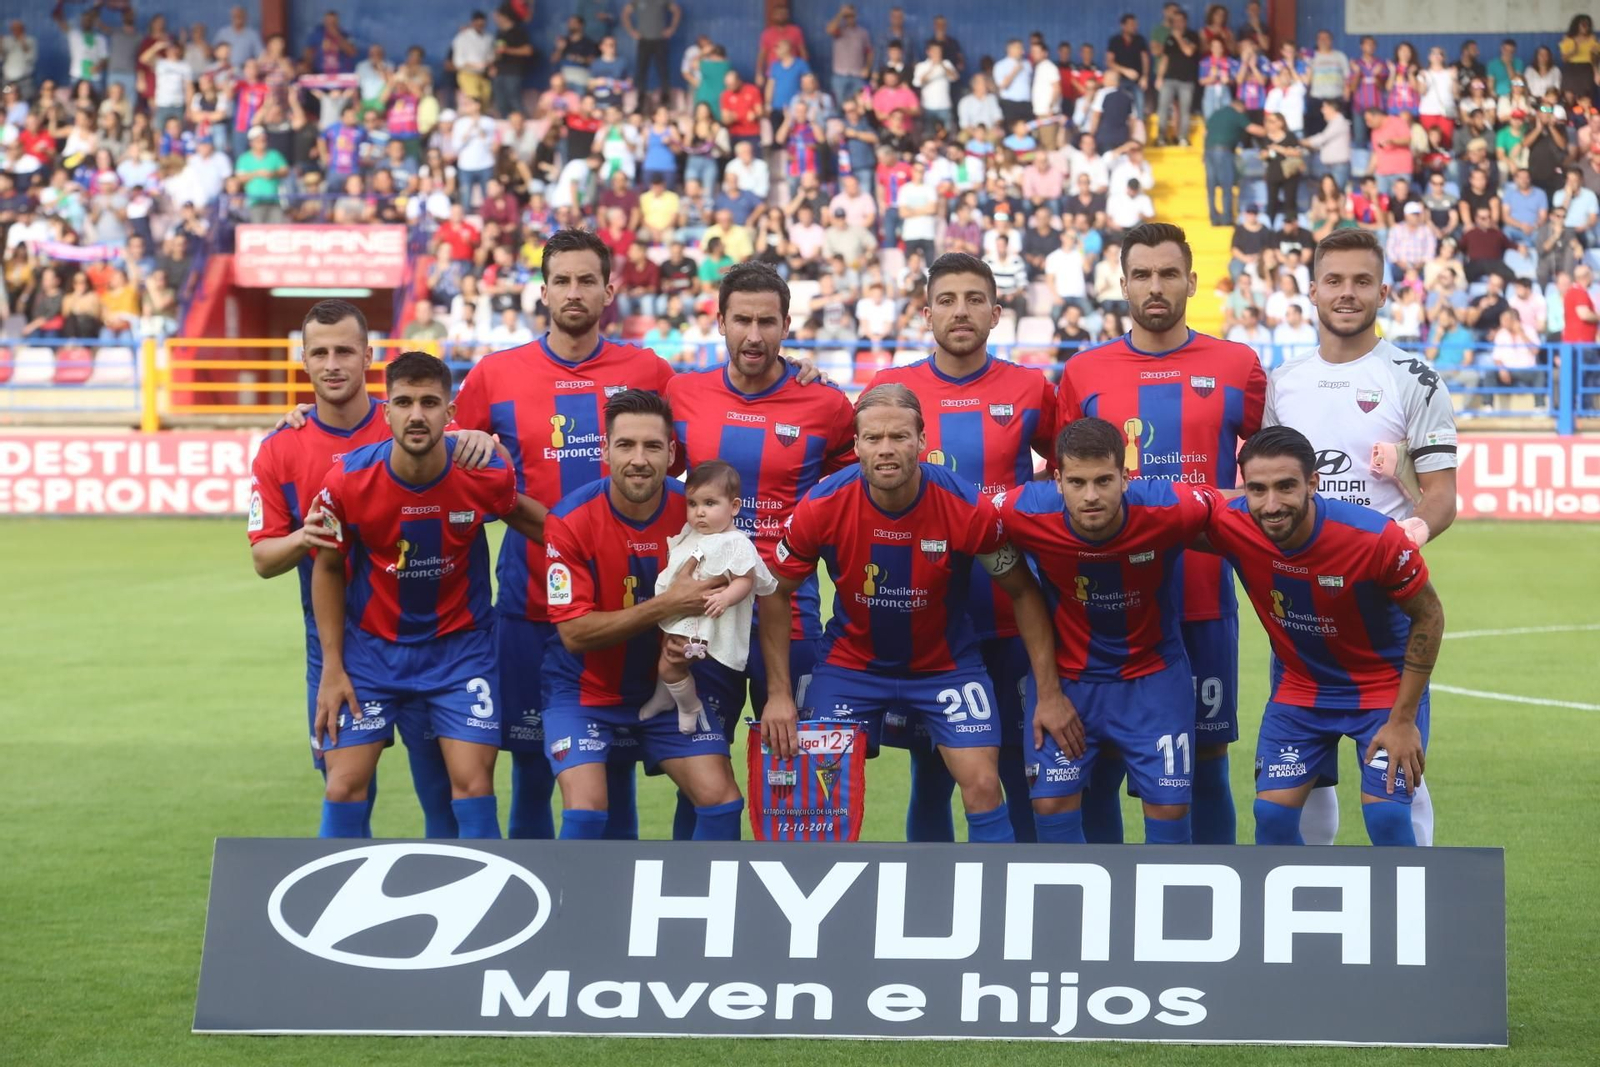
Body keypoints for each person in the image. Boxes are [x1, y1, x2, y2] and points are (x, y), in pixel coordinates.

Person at [759, 384, 1065, 846]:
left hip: (946, 667)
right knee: (815, 795)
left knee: (983, 785)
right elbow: (774, 591)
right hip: (850, 666)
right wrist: (780, 694)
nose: (886, 449)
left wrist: (1049, 691)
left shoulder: (967, 507)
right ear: (857, 444)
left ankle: (995, 907)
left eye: (900, 437)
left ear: (923, 441)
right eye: (874, 438)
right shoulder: (821, 505)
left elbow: (1023, 591)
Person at [450, 229, 674, 840]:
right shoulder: (494, 377)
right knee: (529, 770)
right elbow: (439, 459)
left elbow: (684, 454)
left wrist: (800, 369)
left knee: (616, 770)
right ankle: (535, 925)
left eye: (586, 281)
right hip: (528, 606)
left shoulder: (648, 370)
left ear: (609, 290)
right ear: (542, 290)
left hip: (622, 611)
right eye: (562, 281)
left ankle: (615, 917)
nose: (573, 293)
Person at [249, 302, 498, 838]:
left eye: (345, 351)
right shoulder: (283, 446)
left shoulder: (415, 421)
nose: (333, 363)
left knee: (444, 787)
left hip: (443, 638)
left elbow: (474, 468)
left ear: (368, 356)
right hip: (343, 641)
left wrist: (478, 439)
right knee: (344, 779)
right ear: (305, 360)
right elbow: (263, 557)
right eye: (320, 352)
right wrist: (306, 535)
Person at [1056, 223, 1268, 846]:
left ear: (1192, 282)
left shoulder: (1238, 366)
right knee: (1094, 770)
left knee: (1205, 765)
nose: (1156, 287)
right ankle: (1105, 919)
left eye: (1168, 273)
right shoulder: (1084, 372)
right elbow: (1064, 483)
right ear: (1122, 284)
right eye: (1142, 275)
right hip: (1102, 608)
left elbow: (1270, 472)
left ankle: (1211, 906)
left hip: (1203, 600)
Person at [1264, 228, 1457, 846]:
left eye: (1362, 282)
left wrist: (1404, 538)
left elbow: (1442, 494)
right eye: (1336, 281)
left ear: (1383, 291)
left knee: (1397, 778)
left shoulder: (1414, 377)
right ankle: (1311, 915)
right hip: (1299, 608)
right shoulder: (1283, 383)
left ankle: (1418, 910)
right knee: (1305, 782)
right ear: (1313, 290)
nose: (1348, 294)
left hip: (1384, 606)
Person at [865, 253, 1059, 844]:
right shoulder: (891, 390)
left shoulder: (1030, 388)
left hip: (1009, 615)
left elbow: (1067, 467)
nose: (961, 311)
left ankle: (1020, 899)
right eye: (946, 300)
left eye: (975, 299)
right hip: (927, 620)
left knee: (1015, 768)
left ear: (997, 313)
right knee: (933, 772)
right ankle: (931, 904)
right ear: (925, 314)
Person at [663, 262, 856, 836]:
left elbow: (855, 497)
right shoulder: (682, 394)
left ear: (787, 324)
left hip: (791, 616)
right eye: (741, 320)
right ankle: (687, 897)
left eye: (767, 322)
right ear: (719, 322)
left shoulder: (825, 404)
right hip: (704, 617)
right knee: (701, 780)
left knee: (799, 780)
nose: (754, 335)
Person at [310, 352, 532, 840]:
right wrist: (332, 667)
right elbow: (326, 568)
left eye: (430, 402)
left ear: (451, 413)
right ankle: (329, 910)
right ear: (384, 410)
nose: (416, 415)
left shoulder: (484, 472)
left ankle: (491, 908)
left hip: (461, 652)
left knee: (472, 786)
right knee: (343, 785)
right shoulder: (346, 479)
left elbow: (530, 520)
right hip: (370, 652)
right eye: (404, 402)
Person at [1201, 426, 1445, 847]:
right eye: (1257, 489)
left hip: (1382, 689)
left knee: (1387, 816)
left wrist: (1404, 720)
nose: (1271, 504)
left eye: (1286, 487)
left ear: (1313, 482)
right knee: (1272, 815)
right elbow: (1154, 512)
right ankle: (1296, 912)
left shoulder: (1375, 539)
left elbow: (1430, 617)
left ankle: (1406, 912)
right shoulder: (1233, 524)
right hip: (1303, 689)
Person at [997, 417, 1230, 844]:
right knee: (1048, 804)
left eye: (1104, 480)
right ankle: (1069, 909)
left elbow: (1247, 506)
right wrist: (1047, 695)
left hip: (1153, 678)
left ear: (1126, 477)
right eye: (1077, 482)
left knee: (1170, 807)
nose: (1090, 496)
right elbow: (952, 519)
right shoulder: (1022, 510)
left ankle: (1165, 910)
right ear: (1057, 480)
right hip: (1069, 682)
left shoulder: (1169, 506)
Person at [541, 389, 747, 841]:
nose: (639, 459)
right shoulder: (569, 520)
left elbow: (743, 585)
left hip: (673, 690)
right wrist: (668, 605)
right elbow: (574, 633)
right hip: (586, 690)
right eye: (626, 445)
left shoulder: (697, 514)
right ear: (605, 449)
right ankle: (574, 912)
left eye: (653, 446)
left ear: (672, 453)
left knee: (721, 801)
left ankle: (700, 907)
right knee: (586, 812)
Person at [640, 459, 777, 734]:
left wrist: (726, 597)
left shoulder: (736, 542)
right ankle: (666, 695)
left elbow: (745, 580)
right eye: (693, 504)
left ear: (734, 507)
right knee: (665, 653)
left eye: (710, 504)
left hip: (706, 620)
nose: (699, 513)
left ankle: (688, 705)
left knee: (671, 663)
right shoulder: (694, 534)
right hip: (683, 611)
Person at [622, 0, 681, 109]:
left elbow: (676, 10)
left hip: (660, 40)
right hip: (644, 40)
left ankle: (665, 101)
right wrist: (631, 31)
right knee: (641, 72)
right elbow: (626, 12)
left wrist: (672, 28)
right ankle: (640, 102)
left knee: (663, 71)